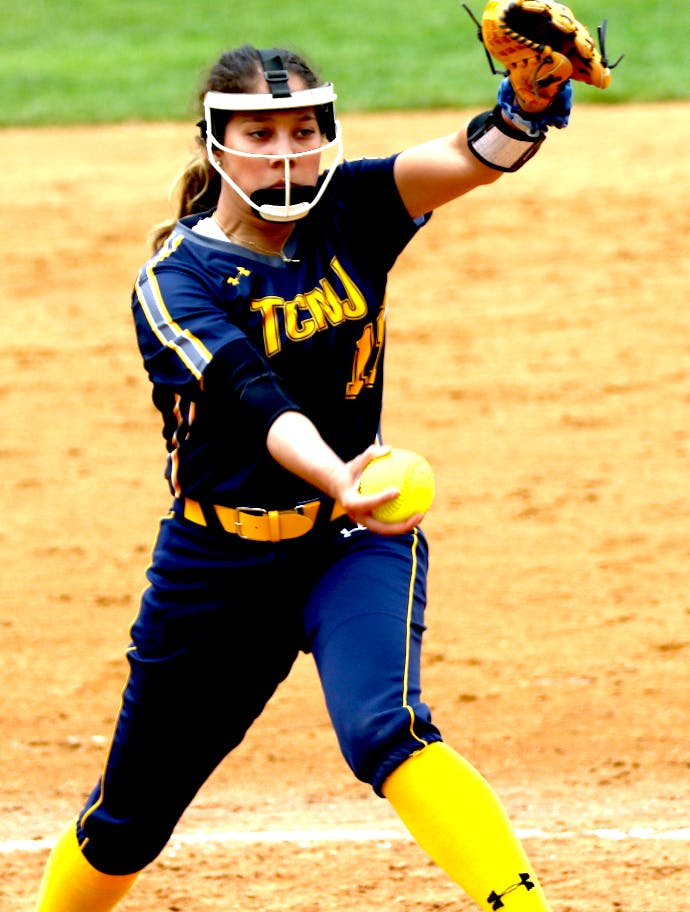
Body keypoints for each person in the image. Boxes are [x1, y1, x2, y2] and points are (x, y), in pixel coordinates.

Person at [34, 41, 573, 912]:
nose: (285, 154)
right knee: (129, 820)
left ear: (327, 136)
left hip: (351, 542)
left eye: (302, 131)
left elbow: (471, 157)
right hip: (217, 568)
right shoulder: (176, 282)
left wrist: (527, 107)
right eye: (259, 134)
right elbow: (257, 399)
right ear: (215, 144)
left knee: (387, 730)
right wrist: (338, 475)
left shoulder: (353, 207)